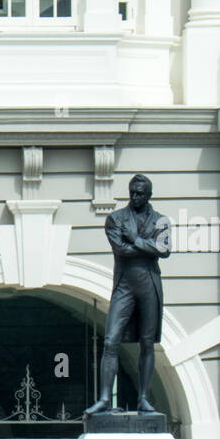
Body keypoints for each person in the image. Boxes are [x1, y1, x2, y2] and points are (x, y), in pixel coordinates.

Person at [83, 174, 171, 416]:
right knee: (111, 340)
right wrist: (145, 245)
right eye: (132, 192)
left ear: (149, 195)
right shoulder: (116, 218)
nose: (135, 197)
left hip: (149, 284)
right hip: (124, 285)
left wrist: (134, 239)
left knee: (147, 342)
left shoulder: (160, 220)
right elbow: (120, 249)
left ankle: (143, 398)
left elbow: (164, 250)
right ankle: (104, 398)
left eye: (140, 193)